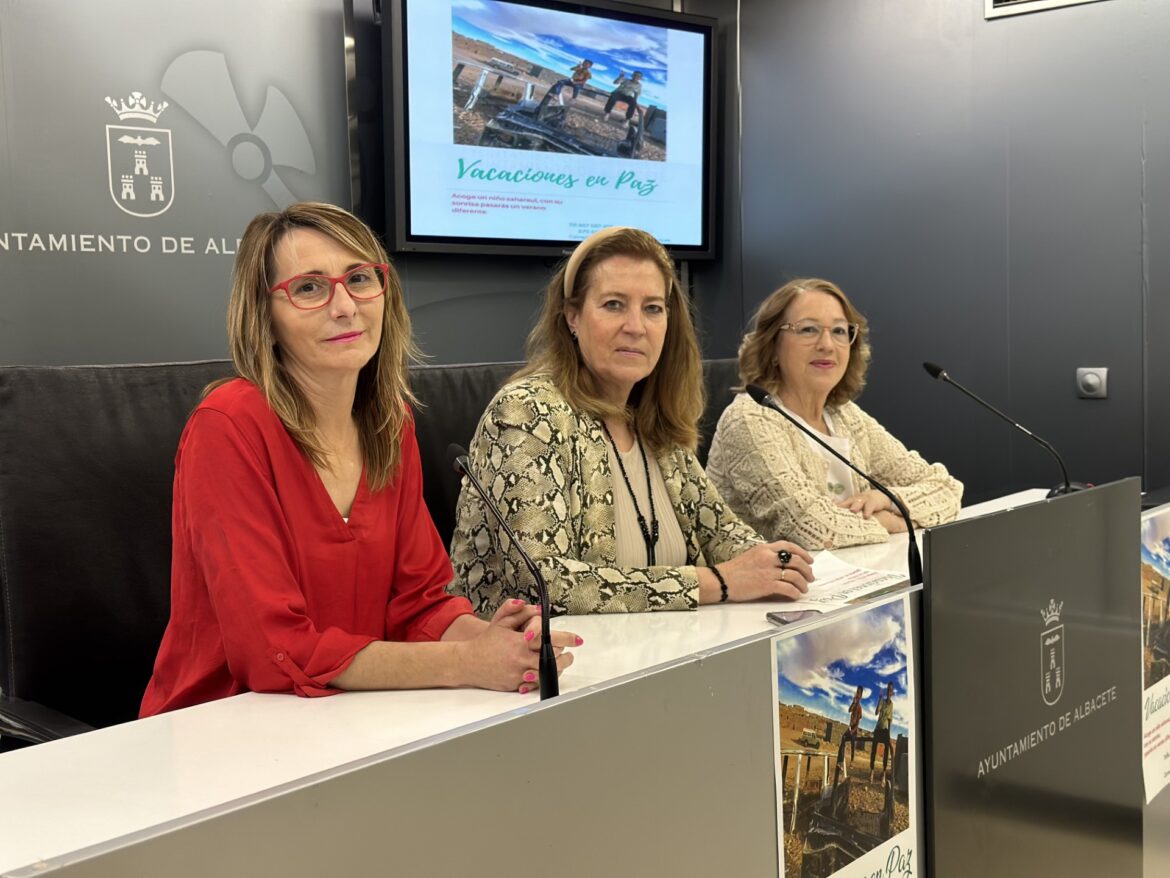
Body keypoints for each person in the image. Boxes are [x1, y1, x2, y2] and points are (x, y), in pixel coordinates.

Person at [140, 202, 578, 716]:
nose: (345, 306)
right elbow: (273, 651)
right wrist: (465, 661)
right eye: (309, 288)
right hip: (223, 723)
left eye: (359, 278)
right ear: (265, 318)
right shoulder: (228, 426)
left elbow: (421, 605)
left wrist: (494, 643)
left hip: (351, 716)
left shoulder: (390, 422)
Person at [447, 226, 815, 617]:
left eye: (652, 308)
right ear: (572, 317)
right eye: (614, 305)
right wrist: (717, 583)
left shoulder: (655, 423)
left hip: (658, 647)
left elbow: (721, 531)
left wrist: (773, 563)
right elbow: (542, 583)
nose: (636, 326)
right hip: (546, 653)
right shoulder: (525, 413)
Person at [707, 278, 962, 550]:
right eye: (808, 329)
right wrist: (892, 522)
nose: (827, 344)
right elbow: (811, 528)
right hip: (775, 578)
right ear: (772, 347)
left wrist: (888, 500)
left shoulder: (844, 416)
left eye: (839, 331)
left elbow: (947, 489)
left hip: (856, 571)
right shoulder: (749, 419)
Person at [833, 685, 864, 785]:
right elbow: (849, 710)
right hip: (850, 727)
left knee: (853, 743)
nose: (857, 694)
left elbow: (858, 722)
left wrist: (853, 730)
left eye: (859, 693)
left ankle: (852, 761)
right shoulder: (854, 705)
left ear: (861, 696)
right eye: (857, 692)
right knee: (843, 738)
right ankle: (840, 761)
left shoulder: (860, 708)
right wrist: (853, 702)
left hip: (854, 729)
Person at [870, 682, 895, 781]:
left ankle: (884, 772)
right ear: (886, 691)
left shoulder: (891, 705)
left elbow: (890, 720)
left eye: (890, 690)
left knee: (887, 748)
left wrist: (889, 734)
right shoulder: (882, 701)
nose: (889, 691)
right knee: (873, 748)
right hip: (878, 728)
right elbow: (876, 712)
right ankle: (872, 770)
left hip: (885, 729)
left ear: (892, 692)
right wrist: (879, 698)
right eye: (888, 689)